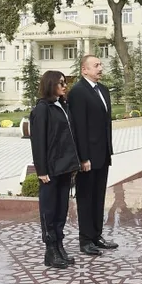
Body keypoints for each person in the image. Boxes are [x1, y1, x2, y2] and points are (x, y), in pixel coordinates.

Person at [29, 70, 80, 269]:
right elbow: (38, 142)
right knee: (49, 210)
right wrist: (41, 170)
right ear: (51, 84)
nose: (64, 86)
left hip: (65, 167)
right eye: (60, 83)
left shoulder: (63, 106)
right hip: (50, 169)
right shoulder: (42, 109)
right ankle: (50, 250)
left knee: (61, 209)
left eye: (65, 82)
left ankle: (59, 245)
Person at [68, 54, 118, 256]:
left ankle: (97, 235)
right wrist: (83, 157)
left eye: (100, 64)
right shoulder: (78, 92)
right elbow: (79, 127)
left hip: (103, 153)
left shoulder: (103, 90)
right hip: (87, 157)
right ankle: (85, 240)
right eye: (96, 65)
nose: (100, 68)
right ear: (84, 70)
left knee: (99, 197)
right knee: (86, 197)